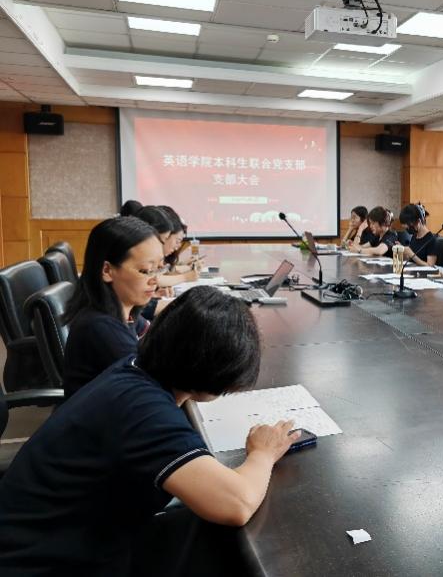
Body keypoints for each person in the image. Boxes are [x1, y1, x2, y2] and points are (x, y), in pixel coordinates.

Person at [0, 287, 303, 576]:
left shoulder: (135, 370)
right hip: (43, 565)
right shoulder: (145, 412)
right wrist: (263, 453)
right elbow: (237, 503)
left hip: (53, 539)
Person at [63, 216, 162, 397]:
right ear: (107, 270)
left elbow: (155, 342)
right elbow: (155, 385)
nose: (155, 280)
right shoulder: (100, 327)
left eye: (159, 269)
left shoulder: (126, 312)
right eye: (146, 271)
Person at [400, 202, 437, 267]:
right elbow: (410, 260)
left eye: (409, 227)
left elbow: (430, 266)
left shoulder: (431, 240)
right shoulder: (414, 236)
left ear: (419, 221)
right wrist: (403, 252)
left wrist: (411, 254)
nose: (408, 230)